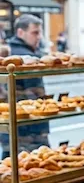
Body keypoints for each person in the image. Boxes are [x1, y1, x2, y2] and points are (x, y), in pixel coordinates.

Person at [3, 15, 48, 155]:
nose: (39, 37)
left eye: (40, 32)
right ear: (20, 33)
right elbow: (35, 96)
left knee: (10, 164)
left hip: (12, 126)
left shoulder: (10, 53)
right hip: (29, 130)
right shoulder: (26, 59)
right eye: (35, 32)